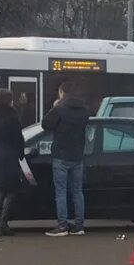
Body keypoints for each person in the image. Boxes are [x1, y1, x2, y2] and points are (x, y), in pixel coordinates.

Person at [42, 82, 90, 237]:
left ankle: (62, 226)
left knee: (61, 192)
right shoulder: (84, 111)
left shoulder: (59, 109)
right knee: (77, 192)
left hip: (61, 156)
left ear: (62, 92)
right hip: (77, 156)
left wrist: (54, 107)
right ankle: (79, 225)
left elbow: (45, 125)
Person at [0, 89, 25, 237]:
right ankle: (3, 223)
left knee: (0, 189)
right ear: (9, 100)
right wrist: (21, 154)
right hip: (10, 154)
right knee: (11, 190)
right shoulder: (13, 116)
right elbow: (18, 138)